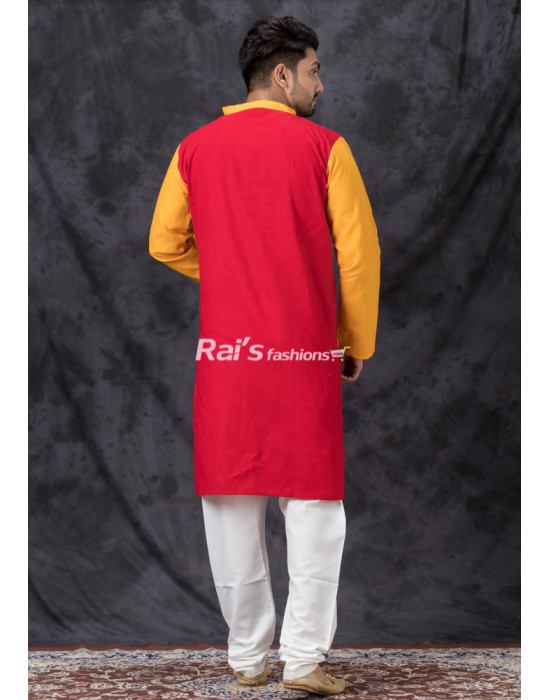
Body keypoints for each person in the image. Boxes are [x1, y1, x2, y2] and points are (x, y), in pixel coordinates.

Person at [149, 15, 380, 696]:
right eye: (313, 70)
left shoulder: (193, 148)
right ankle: (303, 660)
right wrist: (354, 341)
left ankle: (248, 658)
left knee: (230, 502)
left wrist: (231, 274)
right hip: (305, 351)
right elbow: (359, 256)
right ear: (282, 75)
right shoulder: (326, 148)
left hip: (228, 356)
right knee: (314, 506)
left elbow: (165, 243)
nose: (320, 84)